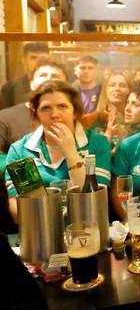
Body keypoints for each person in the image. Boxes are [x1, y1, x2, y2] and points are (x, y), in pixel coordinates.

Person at [4, 80, 111, 222]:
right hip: (40, 234)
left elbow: (93, 205)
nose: (54, 114)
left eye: (62, 106)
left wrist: (71, 153)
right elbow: (19, 214)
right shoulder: (20, 150)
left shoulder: (97, 143)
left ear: (75, 111)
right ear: (36, 115)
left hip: (86, 231)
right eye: (46, 108)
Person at [0, 59, 68, 169]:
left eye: (55, 76)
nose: (48, 79)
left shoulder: (72, 116)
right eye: (43, 75)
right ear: (31, 83)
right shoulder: (5, 117)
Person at [82, 71, 131, 146]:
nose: (117, 88)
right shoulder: (92, 120)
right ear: (105, 90)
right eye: (112, 85)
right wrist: (108, 134)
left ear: (129, 90)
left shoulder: (135, 120)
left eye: (122, 85)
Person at [0, 42, 49, 109]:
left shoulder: (59, 85)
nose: (39, 61)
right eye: (33, 57)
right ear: (24, 60)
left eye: (43, 57)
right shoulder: (10, 88)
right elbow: (5, 116)